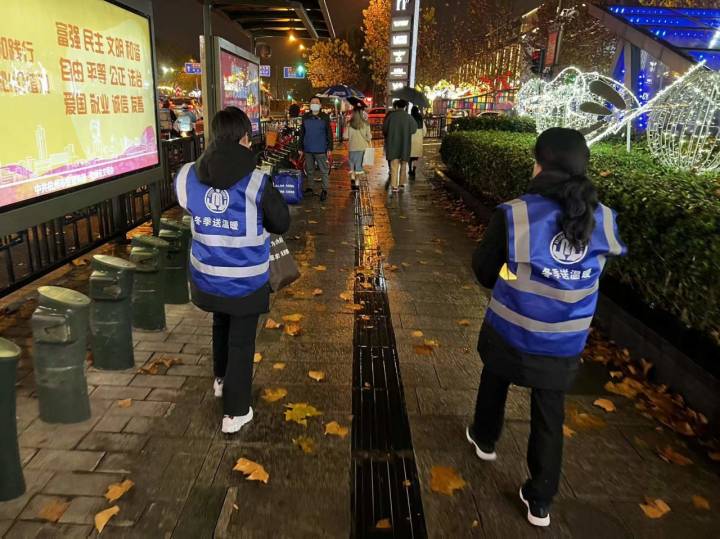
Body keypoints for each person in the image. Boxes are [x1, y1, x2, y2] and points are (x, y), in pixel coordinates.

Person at [467, 128, 626, 528]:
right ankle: (540, 499)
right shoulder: (602, 219)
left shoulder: (517, 213)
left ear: (540, 164)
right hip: (565, 341)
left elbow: (484, 272)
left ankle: (485, 439)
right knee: (550, 411)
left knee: (495, 378)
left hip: (511, 331)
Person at [174, 107, 290, 434]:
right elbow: (281, 222)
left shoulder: (187, 176)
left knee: (220, 323)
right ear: (243, 138)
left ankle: (221, 381)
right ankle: (235, 413)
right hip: (246, 281)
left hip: (206, 278)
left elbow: (191, 206)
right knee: (241, 340)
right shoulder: (256, 182)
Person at [299, 96, 334, 202]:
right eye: (312, 102)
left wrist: (329, 147)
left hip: (321, 149)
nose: (314, 104)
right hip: (308, 148)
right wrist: (300, 147)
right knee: (309, 170)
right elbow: (302, 133)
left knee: (324, 170)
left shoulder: (325, 117)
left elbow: (329, 133)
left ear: (320, 105)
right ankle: (310, 187)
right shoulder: (305, 117)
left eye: (316, 102)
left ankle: (324, 190)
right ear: (310, 105)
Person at [382, 99, 417, 193]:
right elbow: (414, 129)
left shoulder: (391, 116)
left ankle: (394, 186)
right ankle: (401, 183)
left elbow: (384, 129)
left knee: (394, 165)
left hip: (393, 144)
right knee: (404, 164)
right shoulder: (408, 117)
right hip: (405, 144)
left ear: (396, 106)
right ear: (405, 107)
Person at [347, 107, 372, 190]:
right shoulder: (366, 124)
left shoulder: (349, 124)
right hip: (362, 148)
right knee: (359, 166)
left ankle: (352, 178)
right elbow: (369, 137)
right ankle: (357, 184)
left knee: (352, 164)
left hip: (352, 148)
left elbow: (345, 136)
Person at [409, 106, 426, 179]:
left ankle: (409, 169)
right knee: (416, 157)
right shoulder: (421, 119)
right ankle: (414, 169)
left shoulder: (409, 118)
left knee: (409, 156)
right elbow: (424, 131)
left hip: (410, 139)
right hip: (418, 140)